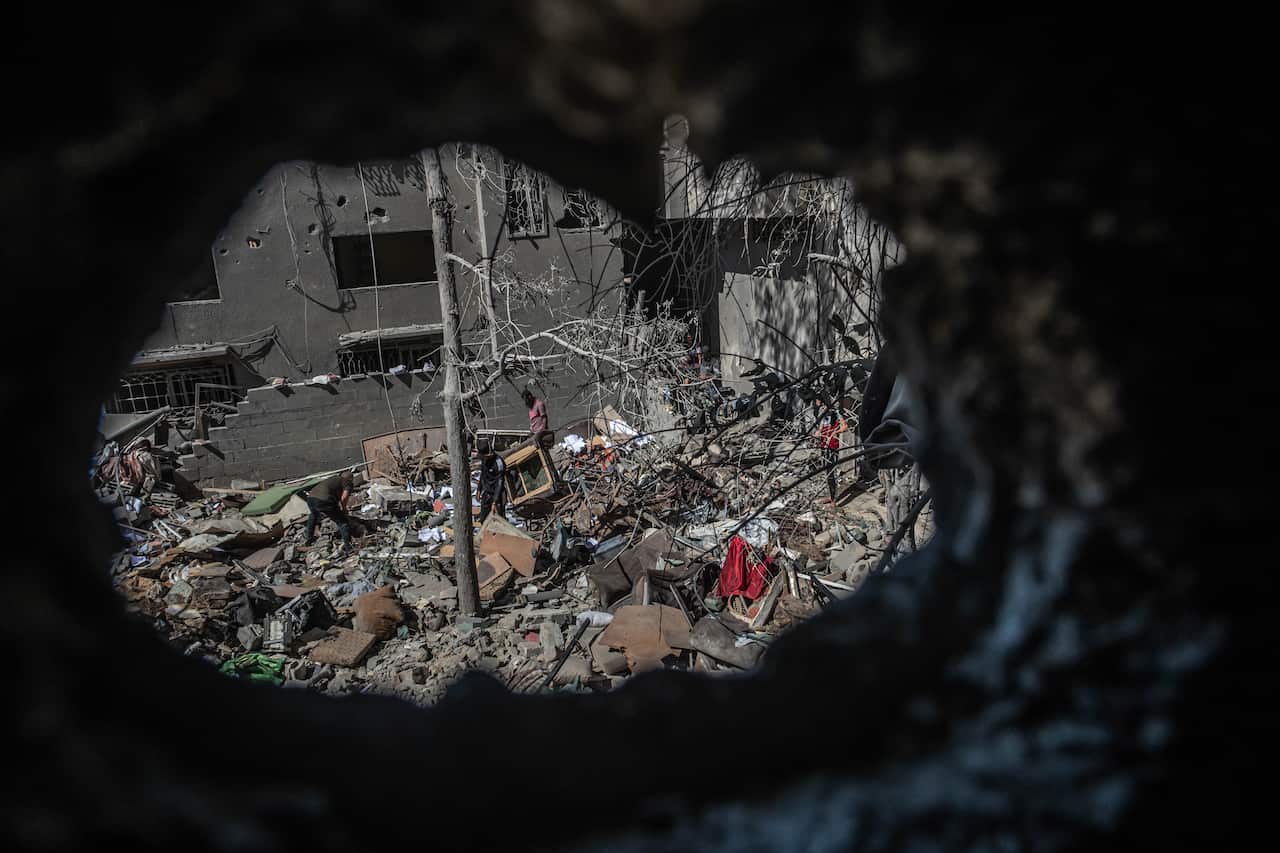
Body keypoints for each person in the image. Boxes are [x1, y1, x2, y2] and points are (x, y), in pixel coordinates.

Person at [301, 471, 354, 549]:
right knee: (343, 523)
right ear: (351, 478)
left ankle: (309, 537)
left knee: (314, 515)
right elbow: (344, 497)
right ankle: (348, 547)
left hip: (311, 498)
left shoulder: (332, 479)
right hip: (324, 500)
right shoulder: (347, 482)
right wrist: (344, 509)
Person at [815, 403, 848, 501]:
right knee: (826, 471)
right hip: (824, 445)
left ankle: (834, 499)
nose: (823, 407)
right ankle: (830, 496)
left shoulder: (836, 413)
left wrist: (835, 432)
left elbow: (845, 427)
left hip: (832, 446)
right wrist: (818, 433)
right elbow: (820, 428)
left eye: (824, 405)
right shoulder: (822, 413)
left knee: (831, 472)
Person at [476, 441, 507, 523]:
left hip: (497, 494)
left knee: (499, 520)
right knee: (484, 519)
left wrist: (495, 502)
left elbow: (499, 483)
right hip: (486, 493)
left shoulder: (499, 463)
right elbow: (483, 475)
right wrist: (479, 489)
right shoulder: (484, 460)